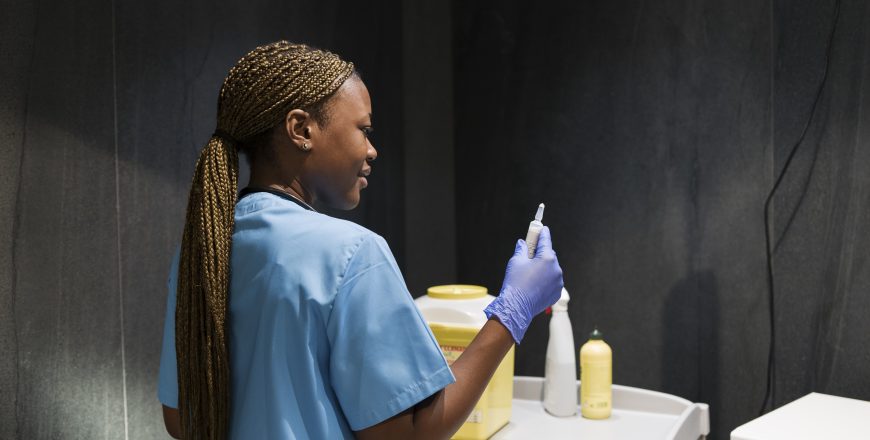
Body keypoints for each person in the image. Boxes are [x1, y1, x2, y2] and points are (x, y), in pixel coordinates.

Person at [157, 41, 564, 440]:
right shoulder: (352, 254)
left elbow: (180, 419)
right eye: (364, 130)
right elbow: (410, 434)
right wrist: (512, 312)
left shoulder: (202, 251)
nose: (373, 150)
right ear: (301, 129)